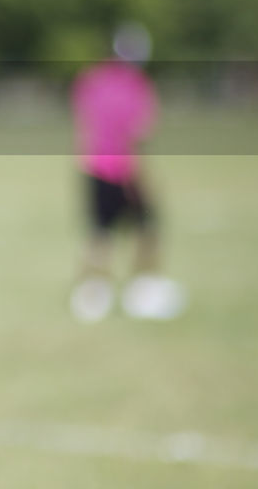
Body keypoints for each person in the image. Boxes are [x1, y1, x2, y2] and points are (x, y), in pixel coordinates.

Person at [68, 23, 184, 323]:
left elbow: (84, 123)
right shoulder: (138, 85)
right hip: (125, 169)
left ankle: (92, 296)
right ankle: (142, 291)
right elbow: (140, 134)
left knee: (99, 235)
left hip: (93, 166)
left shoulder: (90, 80)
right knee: (148, 230)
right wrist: (141, 177)